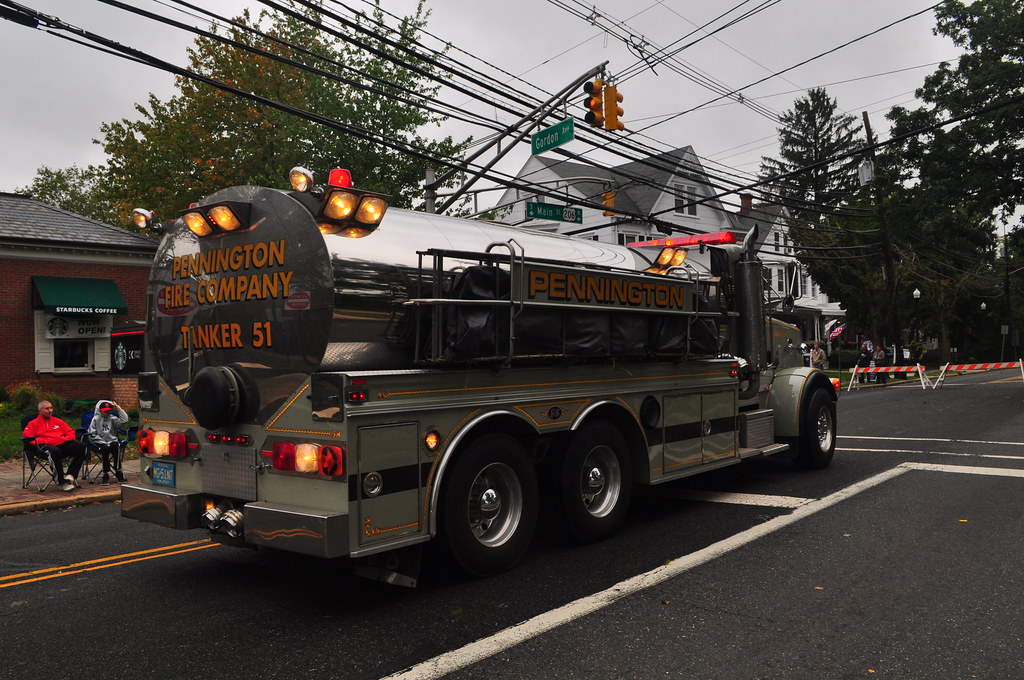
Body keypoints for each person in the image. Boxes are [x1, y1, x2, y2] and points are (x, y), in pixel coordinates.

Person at [22, 400, 87, 492]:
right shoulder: (33, 423)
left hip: (61, 444)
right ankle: (61, 482)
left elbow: (70, 432)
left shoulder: (58, 421)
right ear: (40, 410)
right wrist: (46, 441)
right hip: (44, 447)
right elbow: (28, 437)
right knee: (54, 451)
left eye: (51, 408)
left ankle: (71, 475)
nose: (50, 410)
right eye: (47, 409)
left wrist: (64, 439)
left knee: (81, 446)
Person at [87, 400, 129, 485]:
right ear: (100, 411)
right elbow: (92, 434)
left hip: (111, 440)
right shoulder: (95, 419)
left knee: (115, 445)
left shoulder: (112, 418)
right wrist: (102, 441)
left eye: (109, 411)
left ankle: (118, 471)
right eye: (105, 411)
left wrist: (118, 408)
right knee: (105, 448)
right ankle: (105, 474)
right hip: (99, 442)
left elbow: (124, 420)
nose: (107, 413)